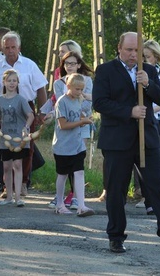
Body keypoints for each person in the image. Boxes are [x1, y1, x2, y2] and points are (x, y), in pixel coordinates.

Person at [93, 32, 160, 253]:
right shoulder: (106, 71)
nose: (133, 55)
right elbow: (100, 103)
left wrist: (148, 85)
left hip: (147, 139)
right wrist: (130, 111)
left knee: (157, 187)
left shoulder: (149, 70)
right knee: (116, 191)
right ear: (119, 48)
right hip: (117, 141)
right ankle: (116, 237)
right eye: (129, 50)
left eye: (137, 50)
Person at [0, 32, 47, 196]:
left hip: (25, 108)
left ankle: (23, 183)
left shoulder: (29, 65)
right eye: (7, 47)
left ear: (19, 47)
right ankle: (7, 185)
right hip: (4, 108)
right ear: (2, 49)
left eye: (13, 47)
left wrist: (42, 111)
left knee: (25, 146)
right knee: (6, 147)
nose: (10, 50)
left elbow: (41, 88)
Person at [136, 39, 160, 211]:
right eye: (143, 57)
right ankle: (147, 199)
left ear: (156, 57)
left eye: (148, 57)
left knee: (155, 158)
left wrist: (152, 108)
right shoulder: (137, 73)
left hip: (159, 120)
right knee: (141, 158)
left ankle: (156, 199)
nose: (145, 61)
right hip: (141, 119)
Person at [50, 51, 93, 210]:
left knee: (79, 173)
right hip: (63, 145)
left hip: (77, 145)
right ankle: (60, 203)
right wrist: (81, 121)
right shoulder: (62, 102)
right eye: (77, 89)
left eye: (82, 89)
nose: (80, 92)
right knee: (62, 175)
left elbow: (81, 114)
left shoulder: (78, 99)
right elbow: (63, 125)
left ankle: (81, 205)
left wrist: (86, 120)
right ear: (67, 86)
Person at [0, 69, 35, 207]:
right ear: (4, 82)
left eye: (14, 81)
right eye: (9, 80)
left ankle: (18, 198)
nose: (12, 83)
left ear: (18, 83)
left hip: (19, 139)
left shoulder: (21, 99)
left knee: (17, 165)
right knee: (6, 167)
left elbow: (30, 115)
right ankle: (8, 196)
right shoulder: (0, 100)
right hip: (5, 139)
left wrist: (26, 128)